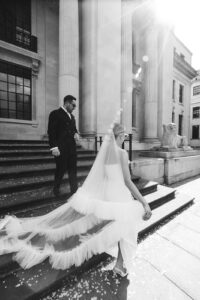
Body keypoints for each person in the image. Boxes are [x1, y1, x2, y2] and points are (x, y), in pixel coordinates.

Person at [0, 122, 152, 277]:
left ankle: (120, 265)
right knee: (127, 228)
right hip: (120, 196)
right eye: (124, 135)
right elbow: (127, 180)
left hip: (110, 196)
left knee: (123, 228)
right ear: (119, 136)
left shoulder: (106, 154)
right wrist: (143, 202)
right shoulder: (122, 153)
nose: (124, 138)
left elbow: (104, 178)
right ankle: (120, 265)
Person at [47, 95, 79, 196]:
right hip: (61, 148)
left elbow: (73, 129)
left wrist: (76, 133)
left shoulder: (72, 117)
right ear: (67, 103)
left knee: (73, 170)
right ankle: (56, 190)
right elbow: (51, 132)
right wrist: (54, 147)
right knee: (60, 169)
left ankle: (74, 191)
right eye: (73, 105)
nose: (74, 108)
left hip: (71, 148)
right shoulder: (55, 114)